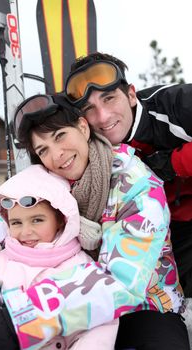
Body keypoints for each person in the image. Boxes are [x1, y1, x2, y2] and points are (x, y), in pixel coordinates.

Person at [0, 94, 190, 350]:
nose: (57, 155)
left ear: (82, 127)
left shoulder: (137, 184)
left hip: (144, 307)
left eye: (60, 136)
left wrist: (18, 320)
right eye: (43, 150)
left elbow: (122, 280)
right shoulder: (44, 185)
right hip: (66, 309)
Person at [65, 52, 192, 298]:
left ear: (131, 95)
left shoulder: (176, 104)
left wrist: (174, 162)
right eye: (90, 109)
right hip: (166, 233)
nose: (103, 117)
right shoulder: (87, 145)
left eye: (110, 99)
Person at [0, 164, 118, 349]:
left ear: (61, 219)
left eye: (37, 220)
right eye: (16, 222)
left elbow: (102, 322)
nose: (26, 231)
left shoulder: (81, 265)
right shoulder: (1, 262)